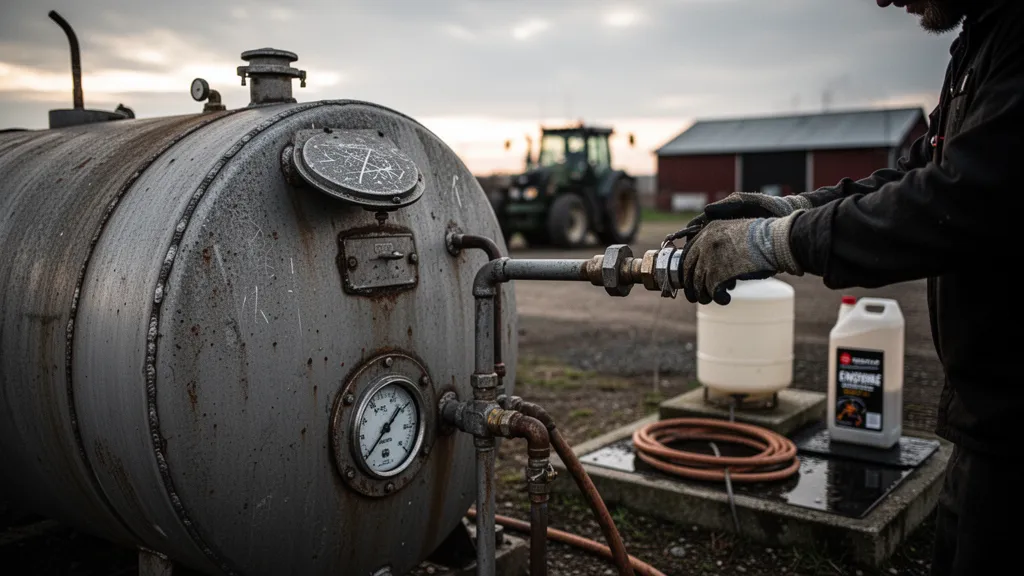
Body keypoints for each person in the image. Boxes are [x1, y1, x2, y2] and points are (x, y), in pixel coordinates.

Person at [676, 1, 1022, 575]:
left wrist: (775, 242)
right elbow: (917, 172)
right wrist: (792, 208)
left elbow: (966, 198)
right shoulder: (981, 39)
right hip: (985, 418)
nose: (883, 0)